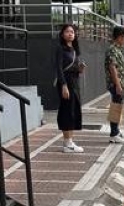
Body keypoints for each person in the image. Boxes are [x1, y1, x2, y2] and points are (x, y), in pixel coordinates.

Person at [55, 24, 86, 153]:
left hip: (74, 83)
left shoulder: (74, 50)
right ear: (62, 34)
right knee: (66, 111)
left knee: (73, 110)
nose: (70, 34)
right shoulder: (60, 49)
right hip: (66, 83)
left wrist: (80, 69)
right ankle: (67, 143)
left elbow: (75, 69)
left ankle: (70, 142)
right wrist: (63, 86)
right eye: (67, 31)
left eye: (72, 32)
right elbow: (58, 69)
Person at [105, 26, 124, 144]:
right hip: (116, 85)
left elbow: (118, 67)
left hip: (120, 84)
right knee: (116, 108)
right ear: (119, 37)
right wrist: (118, 85)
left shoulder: (117, 49)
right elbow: (112, 68)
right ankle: (113, 134)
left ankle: (116, 131)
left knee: (118, 108)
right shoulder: (112, 50)